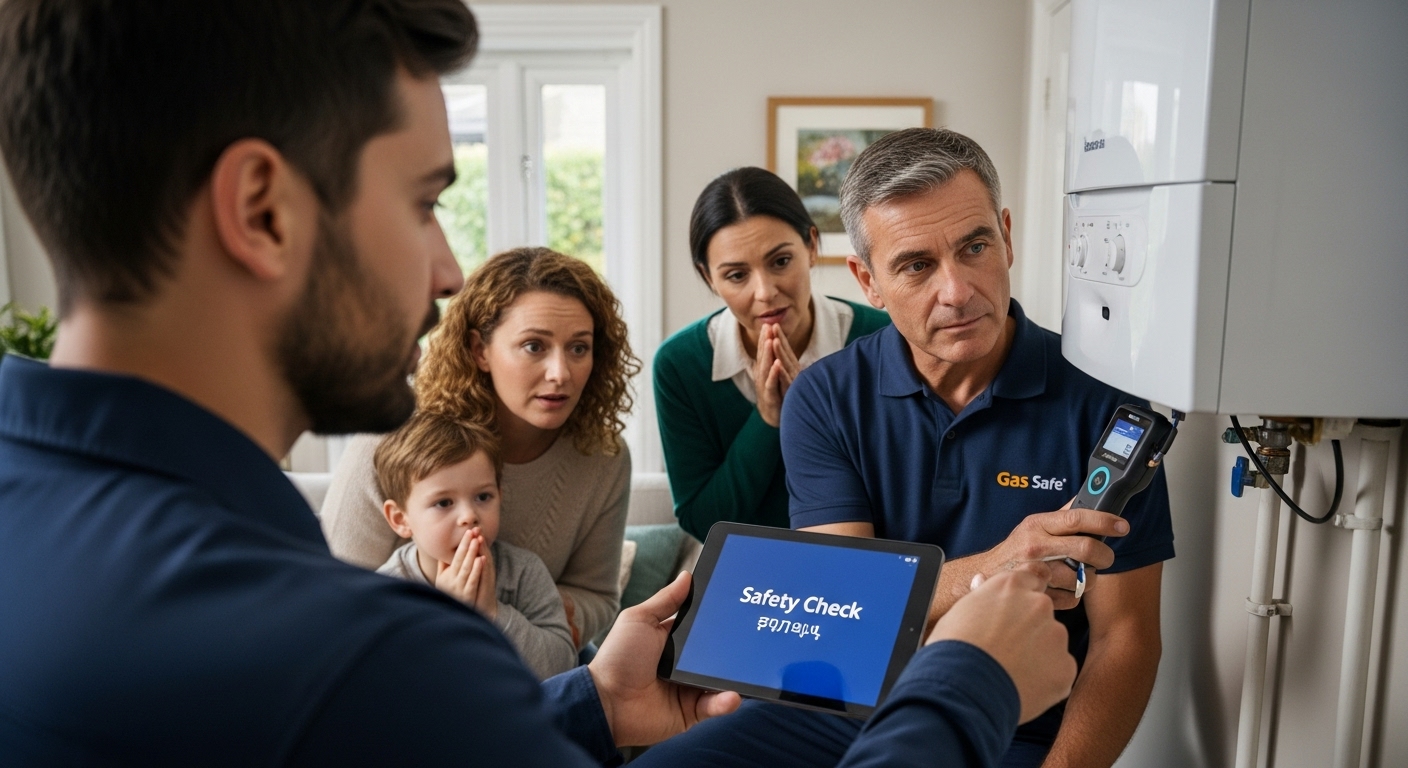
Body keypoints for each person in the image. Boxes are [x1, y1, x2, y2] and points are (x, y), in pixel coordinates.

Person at [0, 2, 1078, 765]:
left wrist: (590, 706)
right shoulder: (358, 656)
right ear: (262, 211)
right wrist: (968, 683)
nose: (445, 271)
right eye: (423, 202)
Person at [636, 129, 1174, 768]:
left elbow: (1124, 638)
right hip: (837, 708)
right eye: (917, 265)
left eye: (975, 247)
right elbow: (841, 609)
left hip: (1014, 723)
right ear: (868, 280)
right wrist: (997, 565)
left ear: (1007, 237)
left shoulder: (1105, 404)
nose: (957, 291)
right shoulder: (824, 398)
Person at [321, 247, 636, 650]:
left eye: (578, 348)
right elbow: (333, 593)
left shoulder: (604, 455)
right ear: (479, 350)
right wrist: (446, 618)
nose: (561, 373)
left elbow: (598, 596)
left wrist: (516, 615)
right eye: (534, 346)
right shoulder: (391, 437)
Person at [655, 167, 890, 540]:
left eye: (780, 262)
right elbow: (703, 521)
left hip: (858, 556)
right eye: (736, 275)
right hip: (743, 564)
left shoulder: (882, 337)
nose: (764, 292)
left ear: (811, 246)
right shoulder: (680, 364)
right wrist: (767, 420)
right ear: (708, 277)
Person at [374, 411, 577, 679]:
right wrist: (447, 615)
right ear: (401, 519)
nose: (469, 516)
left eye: (483, 497)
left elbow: (563, 667)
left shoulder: (523, 572)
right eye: (444, 503)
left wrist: (491, 613)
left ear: (500, 497)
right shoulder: (387, 592)